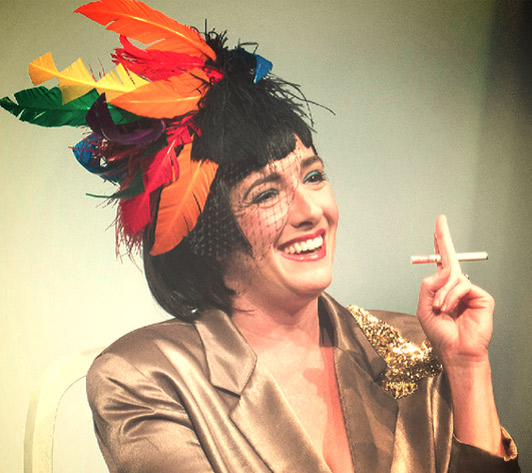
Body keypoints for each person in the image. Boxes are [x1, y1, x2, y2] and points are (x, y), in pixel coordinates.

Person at [1, 0, 521, 471]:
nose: (312, 211)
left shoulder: (418, 342)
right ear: (206, 233)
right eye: (266, 193)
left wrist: (468, 366)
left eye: (313, 176)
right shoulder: (142, 377)